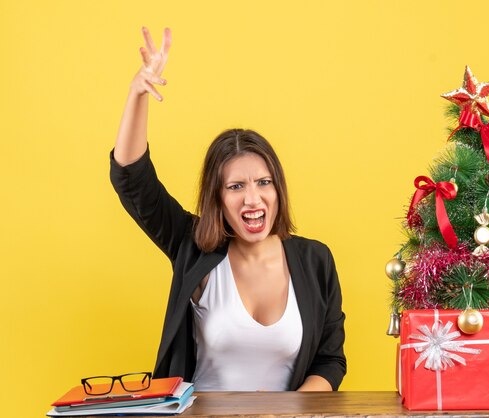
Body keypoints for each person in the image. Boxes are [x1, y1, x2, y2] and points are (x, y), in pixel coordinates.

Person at [110, 27, 346, 392]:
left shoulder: (316, 260)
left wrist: (288, 414)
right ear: (217, 198)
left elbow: (330, 361)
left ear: (278, 188)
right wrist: (137, 94)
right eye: (236, 187)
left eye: (263, 183)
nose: (252, 199)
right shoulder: (193, 248)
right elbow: (132, 180)